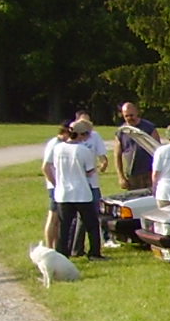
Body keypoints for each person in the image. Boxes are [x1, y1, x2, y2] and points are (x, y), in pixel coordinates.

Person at [43, 124, 98, 261]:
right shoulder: (84, 150)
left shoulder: (58, 148)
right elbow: (89, 171)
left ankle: (62, 253)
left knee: (64, 226)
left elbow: (52, 166)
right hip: (81, 193)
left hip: (63, 193)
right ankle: (94, 252)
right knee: (91, 225)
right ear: (81, 134)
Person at [67, 115, 106, 259]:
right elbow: (88, 170)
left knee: (82, 219)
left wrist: (102, 164)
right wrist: (94, 168)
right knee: (86, 220)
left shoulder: (92, 139)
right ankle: (84, 250)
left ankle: (75, 249)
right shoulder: (78, 149)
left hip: (87, 185)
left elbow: (102, 158)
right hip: (82, 186)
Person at [114, 100, 158, 190]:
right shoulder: (121, 132)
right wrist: (121, 177)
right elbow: (117, 155)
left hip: (150, 172)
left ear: (137, 113)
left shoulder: (149, 128)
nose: (129, 118)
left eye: (131, 115)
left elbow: (158, 150)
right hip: (132, 175)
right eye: (126, 116)